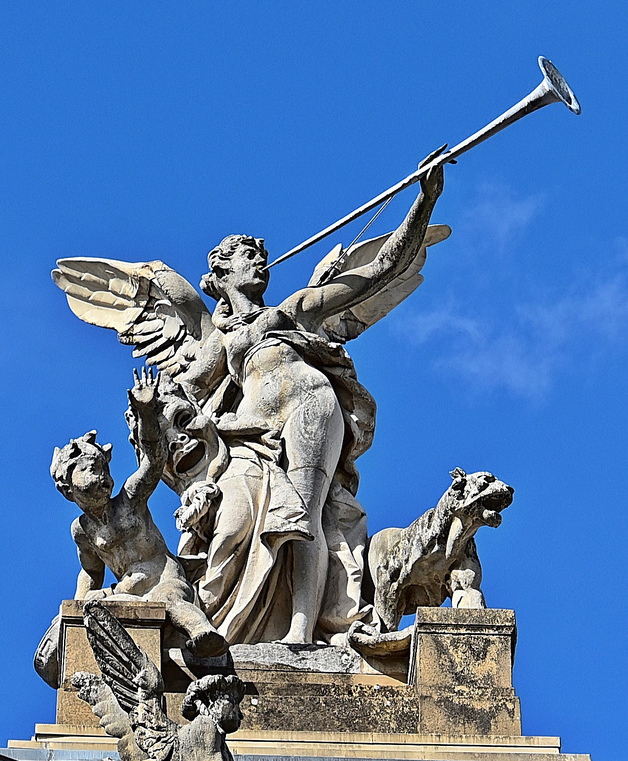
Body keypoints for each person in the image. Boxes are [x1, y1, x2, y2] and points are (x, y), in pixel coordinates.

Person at [180, 161, 446, 643]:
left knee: (305, 514)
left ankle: (299, 632)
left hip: (310, 407)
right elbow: (186, 403)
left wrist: (423, 201)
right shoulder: (219, 339)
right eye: (246, 255)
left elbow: (380, 273)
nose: (260, 260)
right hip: (251, 432)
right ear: (220, 272)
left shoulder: (295, 308)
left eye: (261, 254)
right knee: (234, 522)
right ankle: (226, 623)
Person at [51, 367, 228, 657]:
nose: (103, 478)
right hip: (129, 591)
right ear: (68, 488)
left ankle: (202, 632)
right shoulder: (81, 531)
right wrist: (75, 613)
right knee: (101, 603)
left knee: (172, 602)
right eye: (91, 470)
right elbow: (90, 572)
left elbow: (152, 463)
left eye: (104, 469)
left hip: (164, 578)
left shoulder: (129, 500)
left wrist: (146, 414)